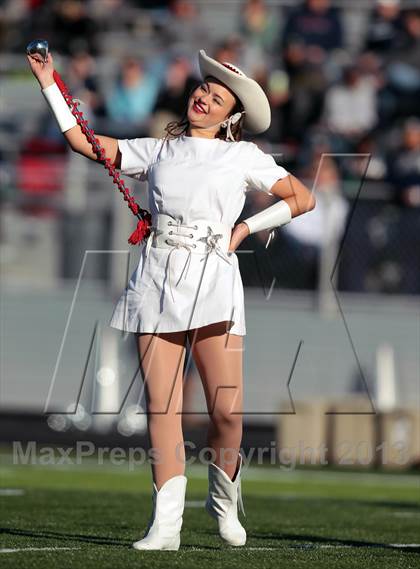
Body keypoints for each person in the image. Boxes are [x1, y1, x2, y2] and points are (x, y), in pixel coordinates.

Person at [27, 47, 315, 551]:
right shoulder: (157, 149)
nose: (204, 97)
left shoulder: (242, 156)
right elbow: (83, 141)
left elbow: (302, 198)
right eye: (203, 88)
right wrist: (50, 81)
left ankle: (223, 498)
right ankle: (166, 526)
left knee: (227, 414)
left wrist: (246, 227)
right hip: (156, 275)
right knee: (163, 408)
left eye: (217, 96)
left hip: (214, 278)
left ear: (233, 115)